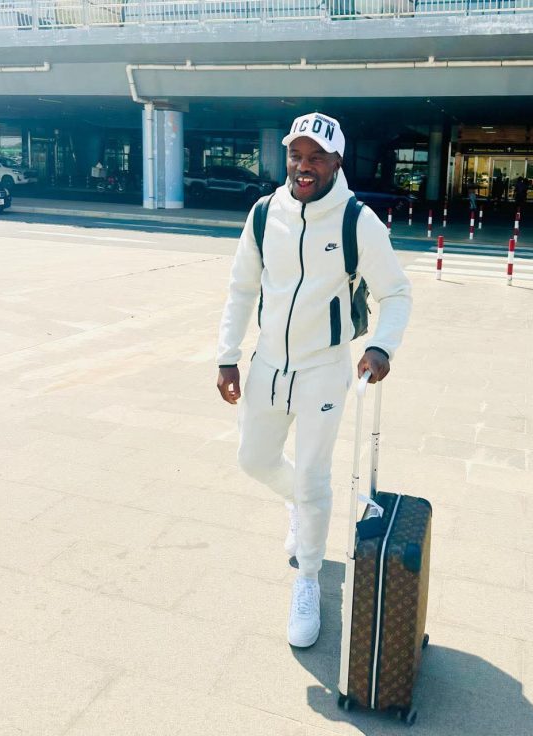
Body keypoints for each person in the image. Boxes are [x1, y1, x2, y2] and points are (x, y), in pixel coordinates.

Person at [215, 112, 412, 649]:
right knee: (253, 460)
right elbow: (241, 288)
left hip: (324, 368)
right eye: (296, 156)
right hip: (267, 365)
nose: (304, 167)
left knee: (314, 478)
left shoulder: (357, 221)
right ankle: (299, 506)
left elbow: (396, 292)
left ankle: (307, 579)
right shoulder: (264, 213)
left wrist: (381, 346)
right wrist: (227, 356)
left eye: (316, 157)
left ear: (337, 162)